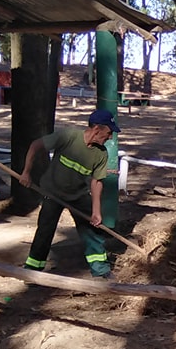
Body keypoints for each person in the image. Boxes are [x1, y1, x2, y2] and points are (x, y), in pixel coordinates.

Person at [19, 109, 119, 279]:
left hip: (77, 195)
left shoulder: (101, 154)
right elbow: (36, 145)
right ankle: (32, 269)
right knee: (45, 230)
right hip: (52, 192)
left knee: (92, 230)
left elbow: (97, 182)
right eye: (109, 133)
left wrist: (96, 212)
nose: (109, 138)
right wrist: (26, 172)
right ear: (97, 129)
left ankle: (100, 269)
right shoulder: (68, 136)